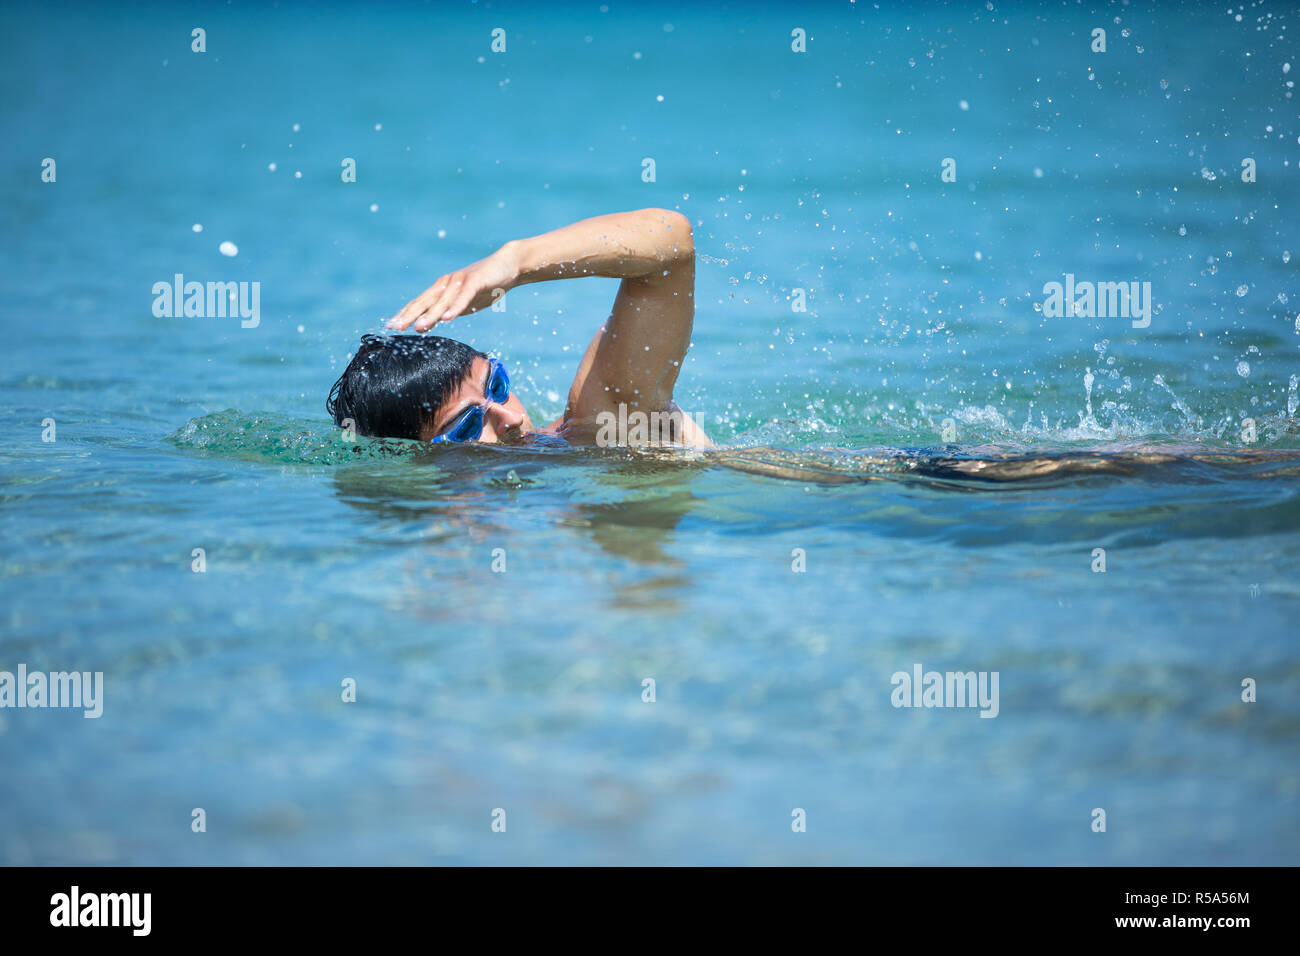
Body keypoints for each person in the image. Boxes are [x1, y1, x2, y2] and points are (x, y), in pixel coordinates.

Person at [327, 208, 712, 448]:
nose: (510, 418)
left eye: (497, 386)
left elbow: (670, 244)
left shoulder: (597, 427)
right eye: (465, 427)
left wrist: (517, 262)